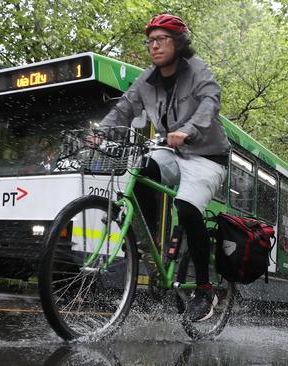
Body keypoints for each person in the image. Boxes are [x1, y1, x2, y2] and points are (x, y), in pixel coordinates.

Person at [99, 14, 230, 322]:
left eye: (161, 40)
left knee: (186, 208)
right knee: (142, 172)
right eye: (150, 41)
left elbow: (210, 102)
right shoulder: (147, 79)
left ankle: (204, 289)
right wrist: (100, 131)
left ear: (179, 43)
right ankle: (150, 249)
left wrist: (189, 129)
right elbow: (124, 108)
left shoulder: (198, 70)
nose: (154, 46)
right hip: (171, 151)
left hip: (208, 155)